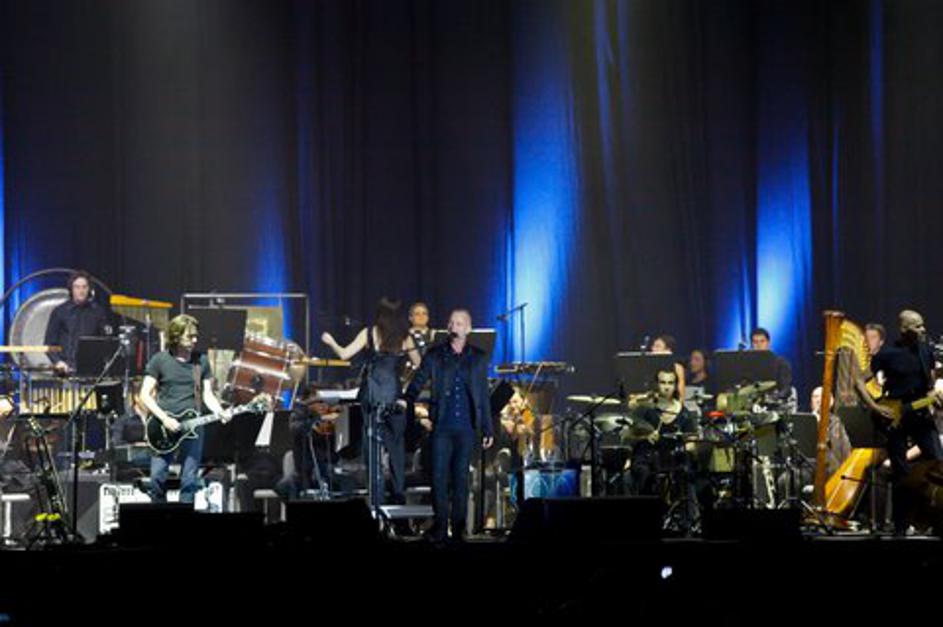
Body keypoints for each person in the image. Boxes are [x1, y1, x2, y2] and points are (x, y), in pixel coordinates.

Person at [401, 309, 494, 543]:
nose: (454, 327)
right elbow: (418, 380)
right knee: (439, 478)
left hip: (466, 428)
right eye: (451, 323)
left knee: (461, 478)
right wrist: (407, 399)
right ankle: (441, 527)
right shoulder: (435, 356)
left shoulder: (478, 358)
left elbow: (483, 395)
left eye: (459, 323)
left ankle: (459, 529)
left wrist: (487, 428)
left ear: (468, 328)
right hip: (442, 426)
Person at [322, 298, 420, 506]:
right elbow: (420, 364)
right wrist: (406, 389)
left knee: (372, 450)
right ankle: (398, 496)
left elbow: (345, 354)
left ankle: (376, 500)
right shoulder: (405, 336)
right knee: (396, 449)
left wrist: (330, 341)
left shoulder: (369, 333)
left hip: (373, 397)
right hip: (395, 396)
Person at [138, 314, 232, 503]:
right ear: (176, 336)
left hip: (193, 426)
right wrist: (165, 419)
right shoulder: (159, 360)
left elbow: (207, 394)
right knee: (157, 478)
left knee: (189, 481)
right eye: (190, 336)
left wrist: (219, 410)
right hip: (164, 426)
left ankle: (184, 518)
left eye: (196, 336)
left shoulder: (201, 361)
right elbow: (144, 395)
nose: (195, 340)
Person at [867, 310, 943, 533]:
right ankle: (900, 526)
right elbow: (858, 381)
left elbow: (929, 385)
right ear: (904, 329)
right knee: (900, 473)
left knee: (938, 463)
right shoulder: (887, 354)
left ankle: (934, 521)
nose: (923, 329)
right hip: (896, 418)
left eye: (922, 325)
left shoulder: (925, 351)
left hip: (921, 415)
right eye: (917, 326)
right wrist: (875, 407)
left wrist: (935, 397)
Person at [44, 271, 112, 374]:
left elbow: (106, 341)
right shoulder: (60, 311)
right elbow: (49, 344)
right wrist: (58, 362)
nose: (81, 291)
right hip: (66, 369)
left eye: (84, 287)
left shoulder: (98, 312)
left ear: (89, 289)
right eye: (77, 287)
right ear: (71, 289)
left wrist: (105, 361)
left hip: (91, 370)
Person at [750, 327, 795, 409]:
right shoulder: (747, 365)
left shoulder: (781, 363)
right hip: (751, 405)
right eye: (755, 342)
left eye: (762, 341)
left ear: (768, 343)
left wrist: (774, 397)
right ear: (752, 344)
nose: (759, 345)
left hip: (773, 405)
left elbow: (786, 388)